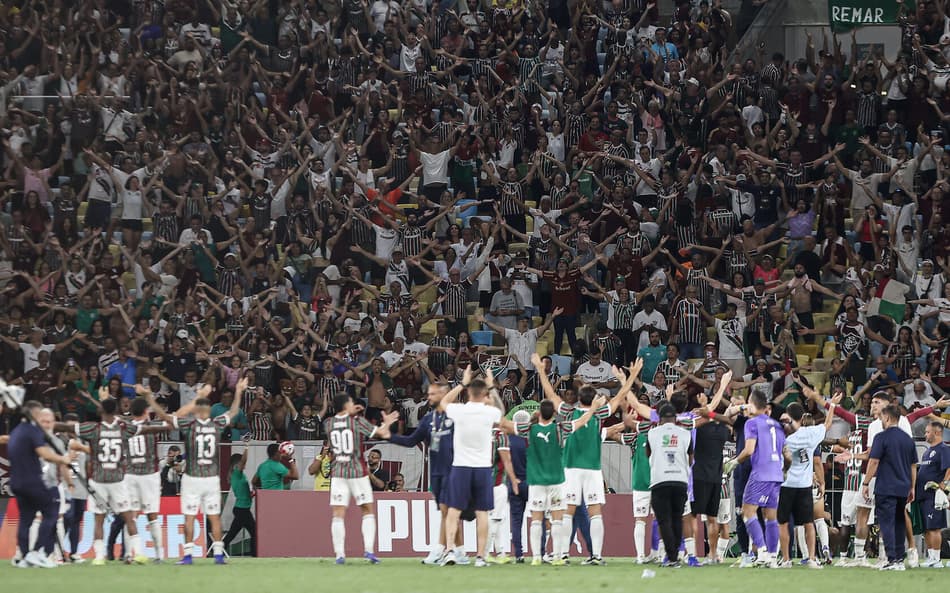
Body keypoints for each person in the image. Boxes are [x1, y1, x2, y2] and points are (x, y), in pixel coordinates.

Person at [534, 354, 636, 565]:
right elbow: (620, 397)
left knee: (567, 512)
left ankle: (561, 555)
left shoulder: (569, 413)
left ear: (578, 398)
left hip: (570, 469)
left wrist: (541, 371)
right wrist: (629, 376)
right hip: (593, 469)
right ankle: (597, 556)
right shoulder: (599, 415)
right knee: (595, 513)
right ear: (594, 400)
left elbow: (550, 394)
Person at [141, 377, 247, 565]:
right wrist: (238, 391)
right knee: (214, 517)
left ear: (197, 410)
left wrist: (149, 399)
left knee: (189, 516)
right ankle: (219, 555)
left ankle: (188, 555)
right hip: (211, 478)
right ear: (210, 410)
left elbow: (165, 417)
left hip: (192, 477)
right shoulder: (217, 424)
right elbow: (234, 412)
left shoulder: (188, 425)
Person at [56, 395, 165, 565]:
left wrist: (45, 424)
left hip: (98, 480)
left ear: (100, 411)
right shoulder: (123, 428)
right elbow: (146, 430)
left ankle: (99, 557)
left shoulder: (92, 428)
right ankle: (139, 553)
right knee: (129, 517)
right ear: (116, 411)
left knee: (99, 519)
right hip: (118, 480)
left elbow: (64, 426)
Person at [438, 365, 504, 567]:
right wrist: (492, 387)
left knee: (454, 511)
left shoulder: (459, 410)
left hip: (461, 467)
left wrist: (461, 383)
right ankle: (480, 557)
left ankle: (449, 551)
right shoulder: (489, 412)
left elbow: (443, 402)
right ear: (484, 393)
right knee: (482, 512)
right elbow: (501, 411)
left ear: (468, 392)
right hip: (483, 468)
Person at [325, 393, 393, 564]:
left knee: (338, 514)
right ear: (347, 405)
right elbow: (382, 433)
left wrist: (351, 413)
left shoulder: (328, 424)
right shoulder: (357, 422)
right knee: (367, 511)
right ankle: (369, 551)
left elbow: (340, 422)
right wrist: (387, 422)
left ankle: (339, 555)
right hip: (357, 471)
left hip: (338, 472)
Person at [8, 402, 76, 568]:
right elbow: (44, 454)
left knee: (26, 519)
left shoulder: (17, 431)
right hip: (35, 483)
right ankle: (36, 553)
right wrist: (63, 458)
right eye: (41, 418)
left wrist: (69, 483)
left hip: (20, 482)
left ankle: (26, 557)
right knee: (51, 513)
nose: (43, 422)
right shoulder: (33, 433)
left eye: (48, 420)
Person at [726, 389, 786, 567]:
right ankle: (773, 557)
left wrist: (734, 462)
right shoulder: (776, 425)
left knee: (747, 511)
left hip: (761, 473)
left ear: (752, 404)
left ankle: (761, 551)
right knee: (770, 517)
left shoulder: (751, 423)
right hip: (777, 474)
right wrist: (786, 470)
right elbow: (787, 454)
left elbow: (749, 449)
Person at [777, 396, 834, 568]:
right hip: (804, 486)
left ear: (788, 417)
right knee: (809, 522)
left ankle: (786, 559)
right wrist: (833, 405)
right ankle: (812, 558)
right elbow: (828, 424)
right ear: (802, 418)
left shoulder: (783, 437)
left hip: (786, 485)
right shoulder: (810, 433)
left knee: (784, 523)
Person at [862, 404, 918, 570]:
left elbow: (873, 461)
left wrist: (865, 483)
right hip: (903, 487)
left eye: (881, 418)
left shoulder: (881, 437)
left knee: (887, 523)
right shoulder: (908, 439)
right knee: (900, 522)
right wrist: (912, 487)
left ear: (886, 417)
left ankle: (892, 559)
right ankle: (899, 559)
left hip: (886, 487)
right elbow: (913, 466)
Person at [647, 403, 693, 567]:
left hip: (660, 480)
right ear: (675, 418)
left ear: (659, 419)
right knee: (677, 518)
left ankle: (672, 557)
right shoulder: (686, 434)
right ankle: (676, 555)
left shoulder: (652, 433)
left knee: (664, 520)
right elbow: (690, 457)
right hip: (680, 480)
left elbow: (648, 454)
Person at [125, 394, 167, 561]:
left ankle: (129, 554)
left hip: (130, 474)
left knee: (132, 515)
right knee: (152, 515)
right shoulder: (152, 427)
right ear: (145, 411)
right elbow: (170, 423)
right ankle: (159, 555)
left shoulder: (126, 428)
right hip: (149, 474)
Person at [916, 421, 950, 567]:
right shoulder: (927, 451)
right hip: (923, 494)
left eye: (928, 432)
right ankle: (931, 557)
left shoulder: (944, 449)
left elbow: (949, 468)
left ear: (937, 432)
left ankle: (937, 559)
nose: (925, 434)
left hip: (934, 495)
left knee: (934, 527)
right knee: (926, 527)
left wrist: (944, 486)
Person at [223, 443, 256, 556]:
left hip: (242, 508)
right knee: (254, 533)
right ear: (237, 464)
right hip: (242, 510)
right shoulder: (237, 474)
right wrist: (246, 447)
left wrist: (251, 494)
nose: (244, 464)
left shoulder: (239, 475)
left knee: (232, 534)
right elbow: (244, 461)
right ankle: (255, 554)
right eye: (241, 463)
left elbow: (243, 492)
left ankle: (219, 550)